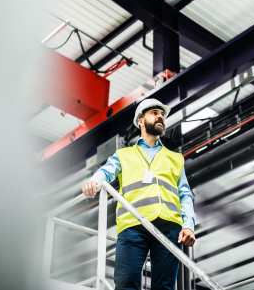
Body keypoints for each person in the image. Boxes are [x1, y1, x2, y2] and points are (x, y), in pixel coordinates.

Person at [82, 98, 196, 290]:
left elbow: (185, 194)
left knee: (165, 286)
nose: (160, 117)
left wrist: (188, 225)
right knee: (126, 282)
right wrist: (94, 180)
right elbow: (107, 171)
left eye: (162, 114)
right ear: (141, 121)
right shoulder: (123, 154)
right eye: (154, 113)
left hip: (169, 227)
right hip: (133, 225)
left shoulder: (176, 159)